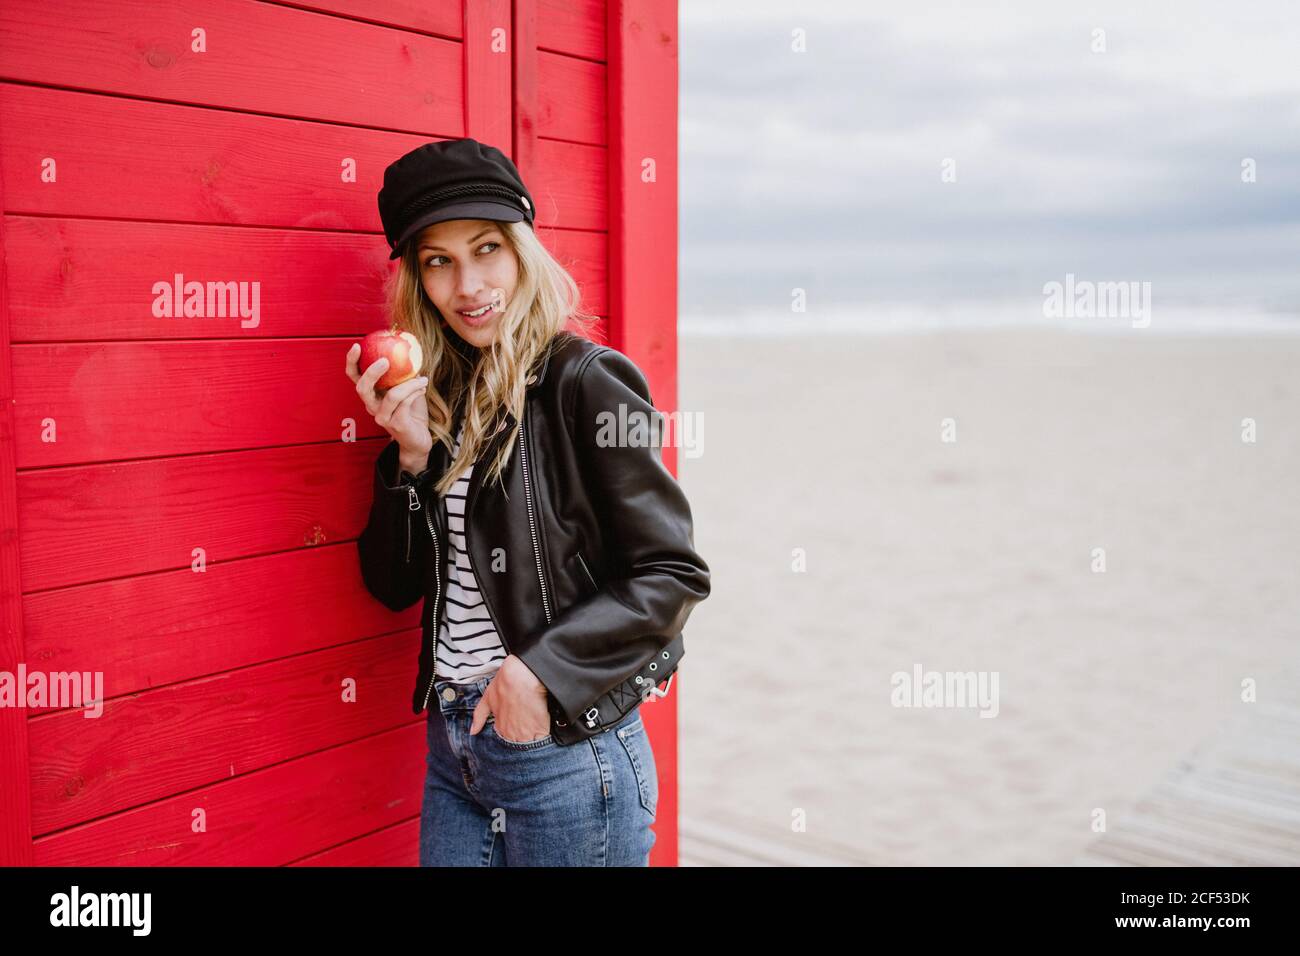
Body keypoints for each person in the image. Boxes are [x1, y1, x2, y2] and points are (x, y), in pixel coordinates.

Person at [344, 138, 710, 866]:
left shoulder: (593, 381)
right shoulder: (435, 401)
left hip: (563, 745)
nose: (468, 284)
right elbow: (390, 588)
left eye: (485, 249)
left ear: (521, 251)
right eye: (438, 261)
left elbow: (673, 574)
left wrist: (536, 672)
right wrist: (410, 457)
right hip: (454, 748)